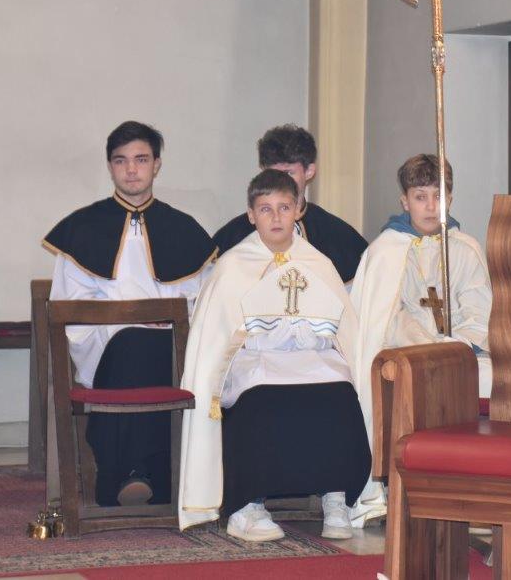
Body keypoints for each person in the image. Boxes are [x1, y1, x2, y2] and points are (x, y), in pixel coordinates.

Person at [179, 169, 371, 542]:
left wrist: (311, 332)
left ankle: (336, 497)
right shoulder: (233, 265)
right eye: (266, 209)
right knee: (259, 396)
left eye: (284, 207)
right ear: (251, 215)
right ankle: (248, 506)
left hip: (312, 358)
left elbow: (342, 330)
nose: (276, 217)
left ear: (298, 209)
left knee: (341, 391)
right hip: (254, 361)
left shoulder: (318, 263)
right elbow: (220, 335)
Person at [43, 121, 216, 507]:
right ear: (110, 167)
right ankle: (146, 475)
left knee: (148, 346)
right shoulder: (82, 230)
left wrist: (169, 321)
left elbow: (205, 300)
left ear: (157, 164)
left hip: (171, 347)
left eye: (141, 159)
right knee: (133, 343)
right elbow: (70, 307)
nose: (132, 169)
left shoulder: (184, 230)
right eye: (121, 161)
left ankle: (127, 476)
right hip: (107, 348)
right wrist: (128, 321)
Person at [349, 154, 493, 524]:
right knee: (398, 385)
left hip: (462, 354)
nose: (431, 206)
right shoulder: (385, 251)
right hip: (405, 354)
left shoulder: (465, 249)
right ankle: (385, 494)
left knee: (496, 381)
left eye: (438, 196)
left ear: (451, 199)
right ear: (405, 201)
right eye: (420, 197)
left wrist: (455, 348)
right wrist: (427, 347)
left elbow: (480, 311)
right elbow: (387, 317)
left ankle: (481, 495)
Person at [212, 124, 367, 283]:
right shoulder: (233, 237)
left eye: (288, 173)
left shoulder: (337, 236)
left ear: (309, 172)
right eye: (273, 173)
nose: (280, 182)